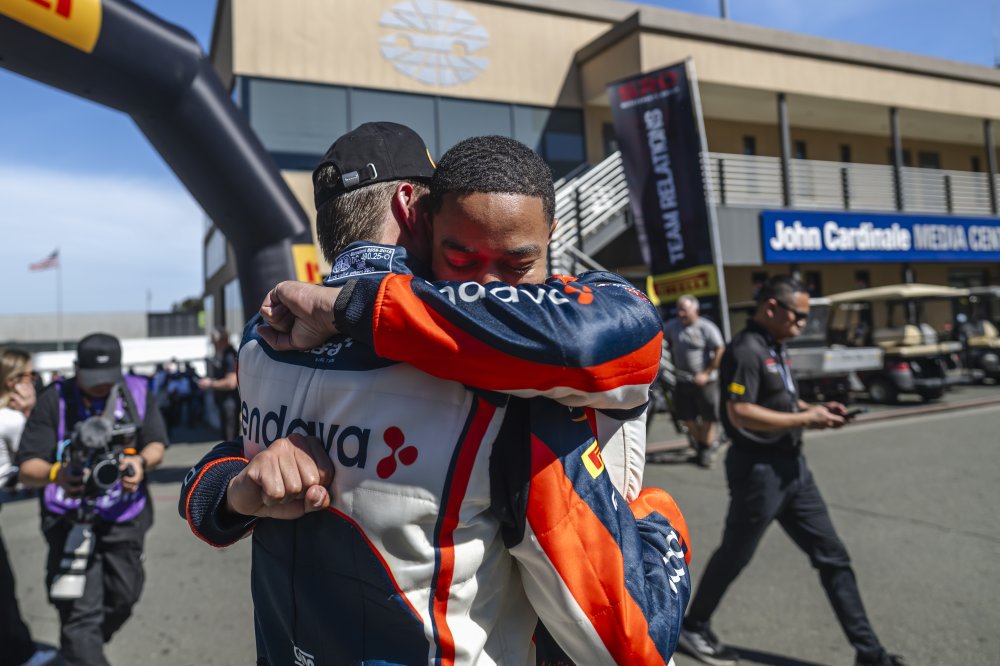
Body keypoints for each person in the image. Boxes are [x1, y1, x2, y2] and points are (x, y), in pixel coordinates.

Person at [181, 127, 690, 664]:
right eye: (456, 242)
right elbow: (623, 638)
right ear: (414, 208)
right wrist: (658, 525)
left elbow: (226, 464)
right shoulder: (493, 370)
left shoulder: (264, 336)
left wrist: (235, 491)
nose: (492, 287)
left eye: (515, 264)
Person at [677, 277, 905, 666]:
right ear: (771, 307)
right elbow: (739, 411)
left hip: (793, 469)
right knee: (735, 554)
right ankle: (693, 626)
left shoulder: (775, 346)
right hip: (759, 472)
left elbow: (779, 399)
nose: (802, 323)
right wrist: (804, 419)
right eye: (798, 316)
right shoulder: (746, 350)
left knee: (833, 556)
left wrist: (815, 409)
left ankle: (870, 654)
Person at [16, 333, 168, 666]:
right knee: (79, 613)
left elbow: (157, 443)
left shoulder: (137, 392)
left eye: (108, 378)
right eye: (93, 378)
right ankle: (82, 648)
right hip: (68, 518)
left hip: (124, 516)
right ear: (76, 369)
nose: (101, 386)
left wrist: (139, 463)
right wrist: (57, 473)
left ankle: (81, 647)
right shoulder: (53, 398)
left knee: (124, 595)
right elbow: (27, 467)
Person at [0, 349, 60, 666]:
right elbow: (40, 457)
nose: (34, 381)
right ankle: (19, 653)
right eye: (28, 375)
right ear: (13, 381)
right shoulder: (10, 419)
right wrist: (30, 412)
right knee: (3, 587)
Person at [662, 294, 725, 467]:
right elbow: (659, 338)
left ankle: (705, 449)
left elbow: (720, 349)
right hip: (683, 380)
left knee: (708, 416)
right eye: (679, 310)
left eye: (684, 310)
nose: (681, 314)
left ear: (695, 310)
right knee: (686, 417)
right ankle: (704, 445)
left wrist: (706, 373)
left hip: (706, 380)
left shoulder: (706, 327)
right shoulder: (673, 326)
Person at [199, 328, 239, 440]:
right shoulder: (225, 355)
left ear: (222, 340)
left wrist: (210, 383)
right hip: (226, 404)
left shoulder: (230, 356)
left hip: (230, 404)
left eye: (214, 341)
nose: (213, 344)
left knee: (230, 439)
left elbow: (231, 383)